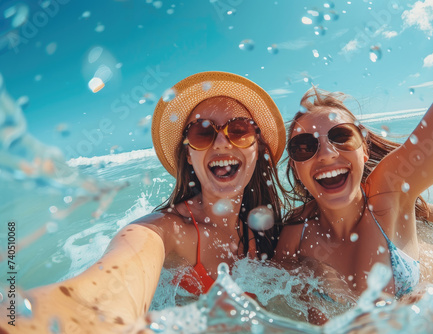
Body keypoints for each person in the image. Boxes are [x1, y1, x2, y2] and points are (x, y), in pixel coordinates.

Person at [3, 71, 286, 333]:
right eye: (202, 132)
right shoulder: (165, 231)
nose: (222, 143)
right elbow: (104, 292)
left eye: (239, 130)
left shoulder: (271, 227)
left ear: (257, 146)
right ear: (188, 154)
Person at [274, 0, 433, 315]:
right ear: (297, 169)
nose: (326, 153)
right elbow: (281, 300)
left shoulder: (388, 189)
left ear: (364, 150)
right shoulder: (295, 236)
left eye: (340, 136)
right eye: (303, 146)